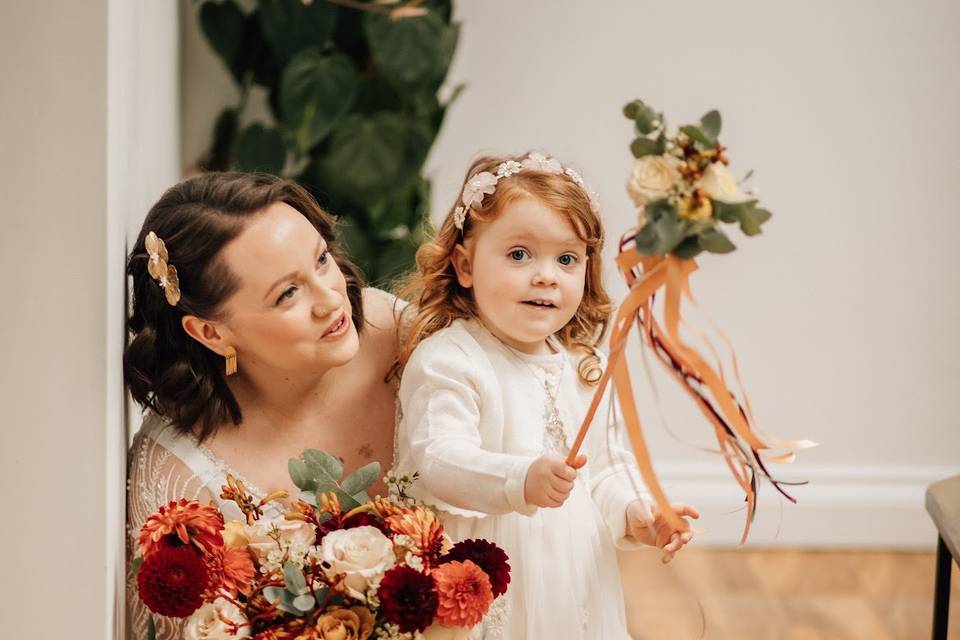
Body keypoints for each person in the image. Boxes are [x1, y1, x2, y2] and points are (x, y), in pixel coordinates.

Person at [393, 152, 700, 639]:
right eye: (519, 254)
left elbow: (605, 469)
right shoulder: (450, 359)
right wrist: (520, 478)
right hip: (487, 574)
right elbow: (439, 460)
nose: (546, 276)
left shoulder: (583, 367)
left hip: (573, 575)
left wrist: (637, 512)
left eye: (566, 259)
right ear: (466, 265)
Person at [123, 172, 401, 639]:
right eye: (288, 293)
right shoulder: (181, 477)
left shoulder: (399, 337)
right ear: (211, 332)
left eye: (321, 259)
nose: (330, 299)